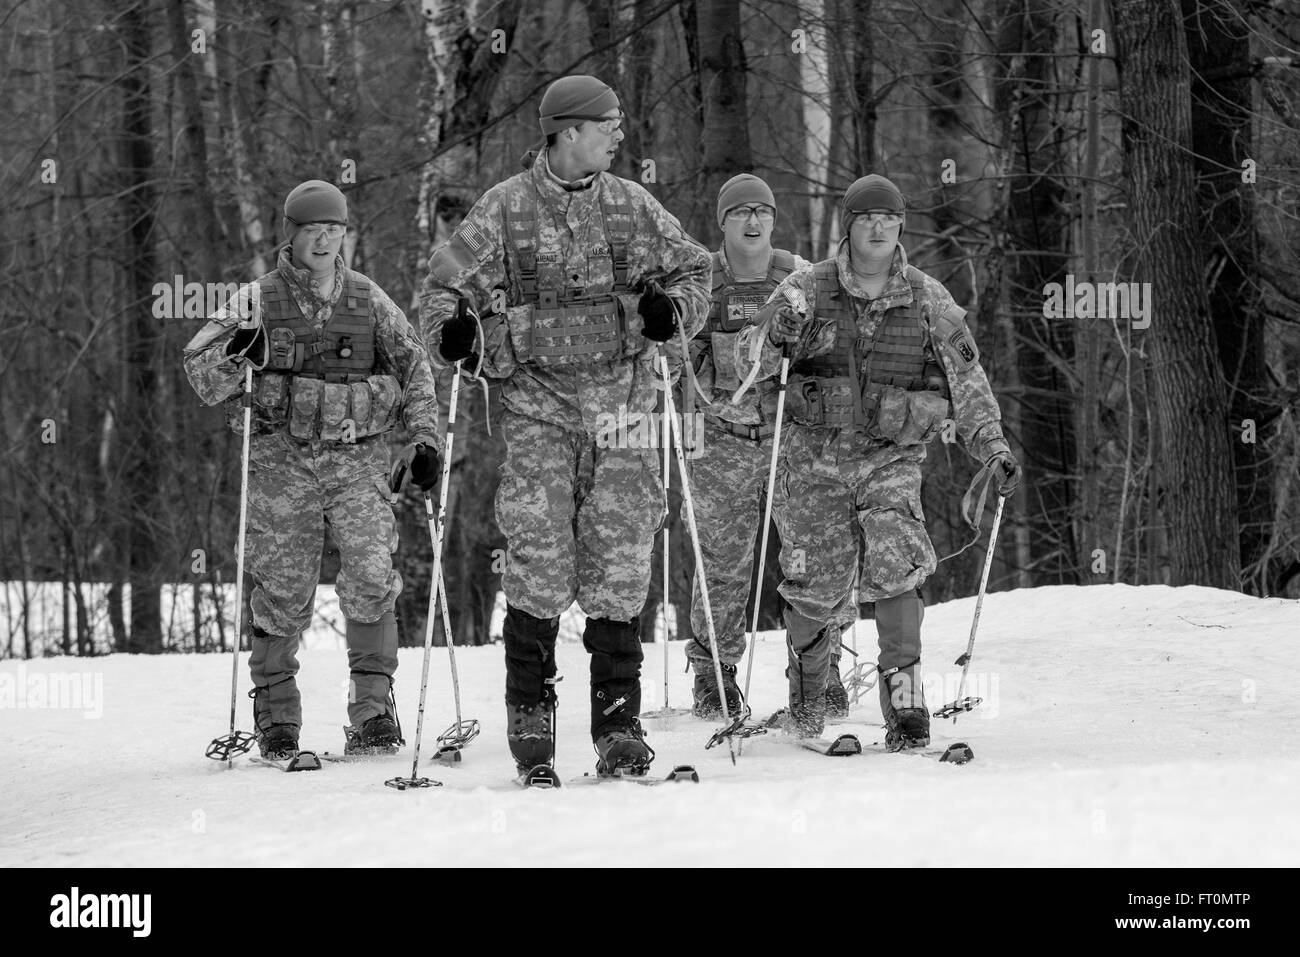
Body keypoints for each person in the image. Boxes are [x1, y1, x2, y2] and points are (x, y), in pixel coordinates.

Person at [418, 76, 710, 776]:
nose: (618, 134)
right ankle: (531, 720)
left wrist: (675, 311)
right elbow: (440, 289)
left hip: (624, 410)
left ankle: (618, 725)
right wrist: (453, 335)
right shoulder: (505, 210)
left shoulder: (632, 206)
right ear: (568, 130)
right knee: (539, 562)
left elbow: (697, 270)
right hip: (537, 412)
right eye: (607, 123)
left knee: (618, 563)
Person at [736, 173, 1021, 747]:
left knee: (897, 564)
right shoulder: (803, 290)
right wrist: (776, 339)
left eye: (888, 218)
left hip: (890, 459)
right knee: (815, 585)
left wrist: (992, 447)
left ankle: (906, 705)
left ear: (900, 226)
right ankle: (810, 697)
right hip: (814, 461)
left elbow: (967, 383)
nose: (877, 227)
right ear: (849, 225)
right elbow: (751, 366)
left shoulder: (927, 298)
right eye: (866, 217)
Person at [183, 180, 443, 759]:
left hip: (358, 460)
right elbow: (199, 372)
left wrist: (424, 440)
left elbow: (416, 368)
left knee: (373, 576)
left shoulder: (368, 298)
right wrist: (236, 354)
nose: (324, 240)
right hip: (282, 463)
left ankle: (373, 712)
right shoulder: (257, 299)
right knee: (281, 589)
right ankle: (277, 720)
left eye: (335, 230)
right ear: (292, 235)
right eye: (313, 230)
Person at [677, 174, 812, 719]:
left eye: (762, 212)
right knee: (723, 564)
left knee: (808, 555)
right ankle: (714, 671)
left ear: (774, 221)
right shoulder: (700, 282)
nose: (753, 222)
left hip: (790, 439)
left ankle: (814, 666)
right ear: (723, 222)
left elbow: (827, 348)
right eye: (741, 213)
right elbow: (686, 364)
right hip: (721, 441)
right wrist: (754, 348)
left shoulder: (799, 276)